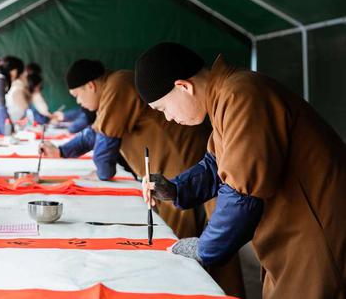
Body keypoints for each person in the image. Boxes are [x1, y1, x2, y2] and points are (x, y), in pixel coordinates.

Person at [135, 42, 346, 298]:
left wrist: (206, 248)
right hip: (298, 232)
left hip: (319, 231)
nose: (168, 118)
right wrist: (175, 189)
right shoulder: (226, 96)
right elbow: (216, 164)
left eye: (163, 108)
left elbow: (241, 194)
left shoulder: (241, 95)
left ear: (183, 86)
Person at [40, 59, 211, 239]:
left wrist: (100, 173)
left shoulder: (118, 85)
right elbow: (97, 131)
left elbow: (104, 155)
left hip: (180, 159)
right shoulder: (112, 86)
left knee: (182, 237)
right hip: (173, 162)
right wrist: (62, 151)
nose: (79, 102)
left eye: (77, 95)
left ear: (90, 86)